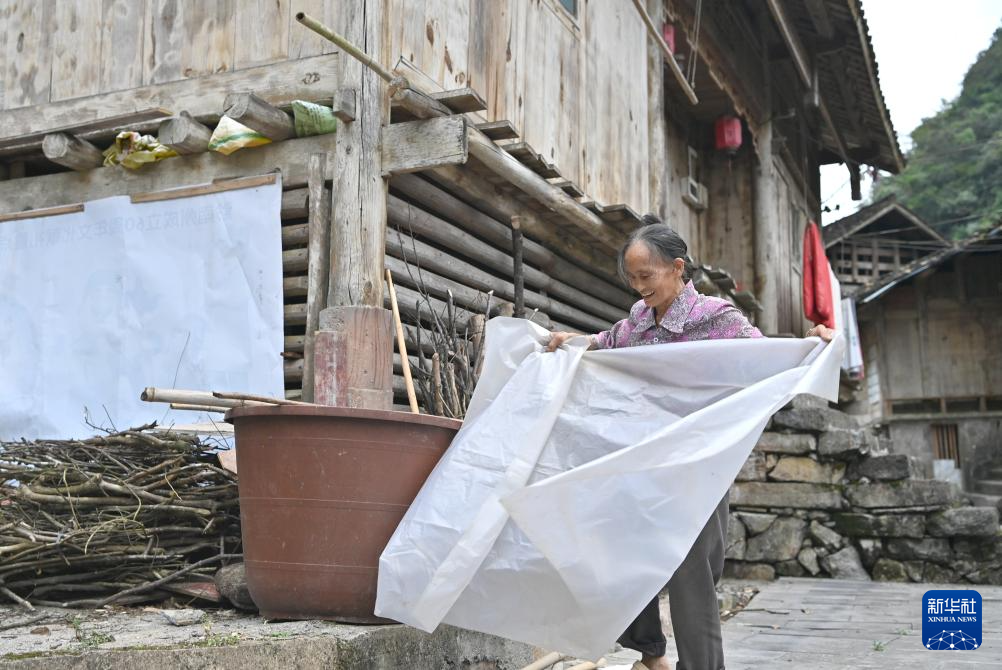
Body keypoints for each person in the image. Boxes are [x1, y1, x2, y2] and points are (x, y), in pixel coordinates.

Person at [545, 215, 833, 670]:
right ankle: (650, 654)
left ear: (677, 267)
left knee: (693, 573)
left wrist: (813, 344)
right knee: (621, 554)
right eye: (632, 278)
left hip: (698, 467)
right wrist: (572, 342)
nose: (639, 286)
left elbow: (767, 357)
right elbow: (607, 343)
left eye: (646, 275)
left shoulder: (716, 318)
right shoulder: (639, 320)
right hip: (643, 464)